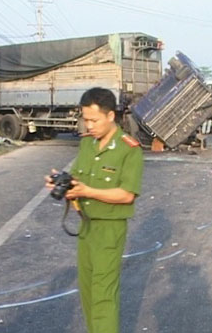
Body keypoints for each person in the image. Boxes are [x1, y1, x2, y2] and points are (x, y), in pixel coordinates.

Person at [45, 88, 143, 333]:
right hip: (86, 226)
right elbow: (78, 178)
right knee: (87, 291)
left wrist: (88, 192)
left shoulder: (128, 149)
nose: (89, 125)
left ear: (111, 116)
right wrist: (64, 185)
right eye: (85, 119)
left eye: (94, 120)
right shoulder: (87, 144)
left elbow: (127, 194)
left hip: (109, 230)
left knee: (103, 294)